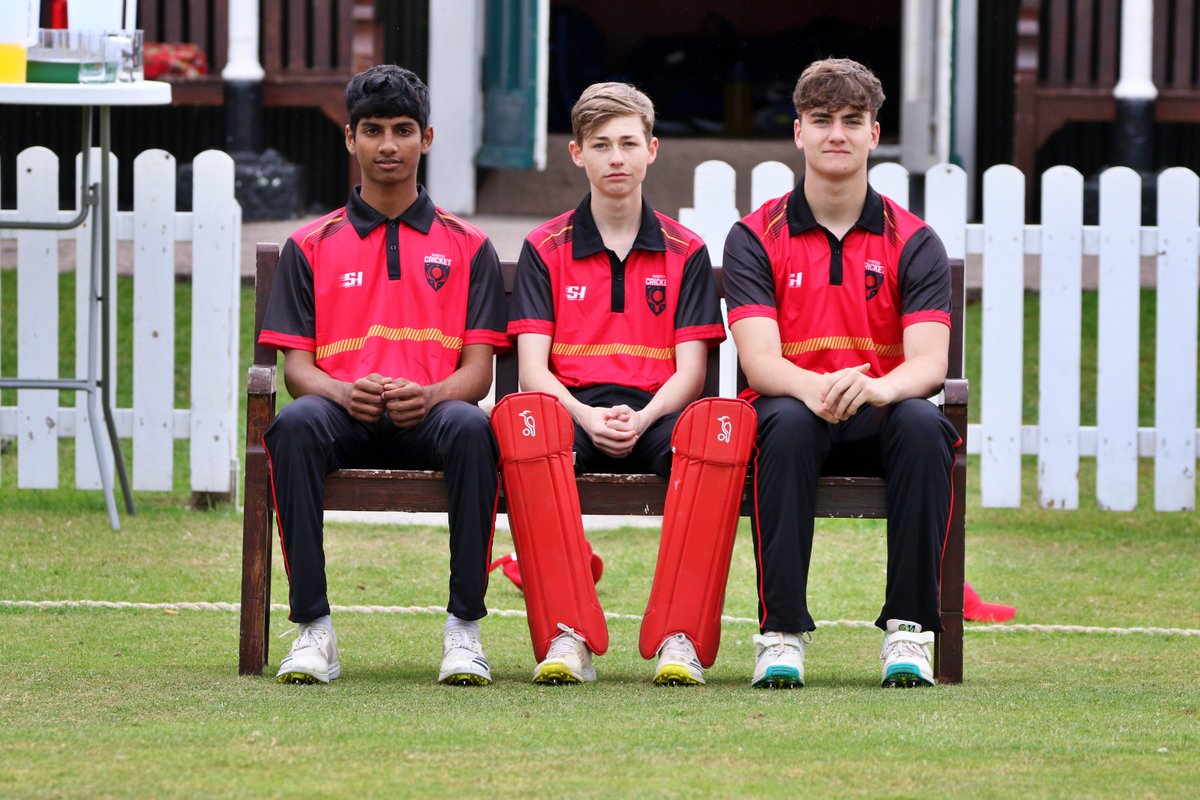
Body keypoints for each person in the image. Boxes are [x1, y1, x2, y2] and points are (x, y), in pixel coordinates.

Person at [257, 65, 508, 686]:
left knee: (474, 428)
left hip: (434, 416)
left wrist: (430, 394)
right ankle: (313, 630)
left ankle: (464, 630)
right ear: (351, 139)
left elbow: (477, 375)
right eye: (373, 131)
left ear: (427, 138)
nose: (388, 145)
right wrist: (344, 391)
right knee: (292, 427)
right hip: (342, 413)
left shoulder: (469, 245)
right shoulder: (310, 244)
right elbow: (296, 370)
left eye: (402, 130)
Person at [498, 82, 746, 686]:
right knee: (527, 428)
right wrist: (585, 415)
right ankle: (567, 636)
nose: (616, 157)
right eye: (601, 144)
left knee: (718, 436)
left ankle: (679, 638)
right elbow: (533, 372)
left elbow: (691, 372)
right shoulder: (544, 247)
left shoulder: (686, 251)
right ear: (576, 154)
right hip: (571, 411)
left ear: (652, 150)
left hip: (657, 413)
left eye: (628, 143)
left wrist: (641, 417)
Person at [722, 58, 960, 688]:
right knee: (786, 424)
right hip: (794, 409)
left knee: (922, 424)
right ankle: (781, 634)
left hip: (879, 409)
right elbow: (759, 361)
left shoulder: (915, 240)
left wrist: (878, 388)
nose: (837, 134)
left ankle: (909, 631)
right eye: (821, 120)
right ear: (797, 132)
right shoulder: (753, 235)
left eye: (852, 121)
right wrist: (817, 387)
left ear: (874, 135)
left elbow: (930, 363)